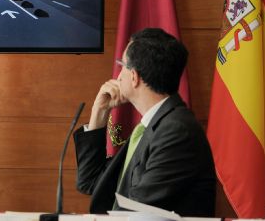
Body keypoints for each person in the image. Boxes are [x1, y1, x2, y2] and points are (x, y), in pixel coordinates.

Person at [74, 28, 216, 216]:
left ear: (134, 76)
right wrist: (99, 112)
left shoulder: (176, 131)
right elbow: (90, 182)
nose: (118, 75)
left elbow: (135, 210)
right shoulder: (155, 125)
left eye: (121, 65)